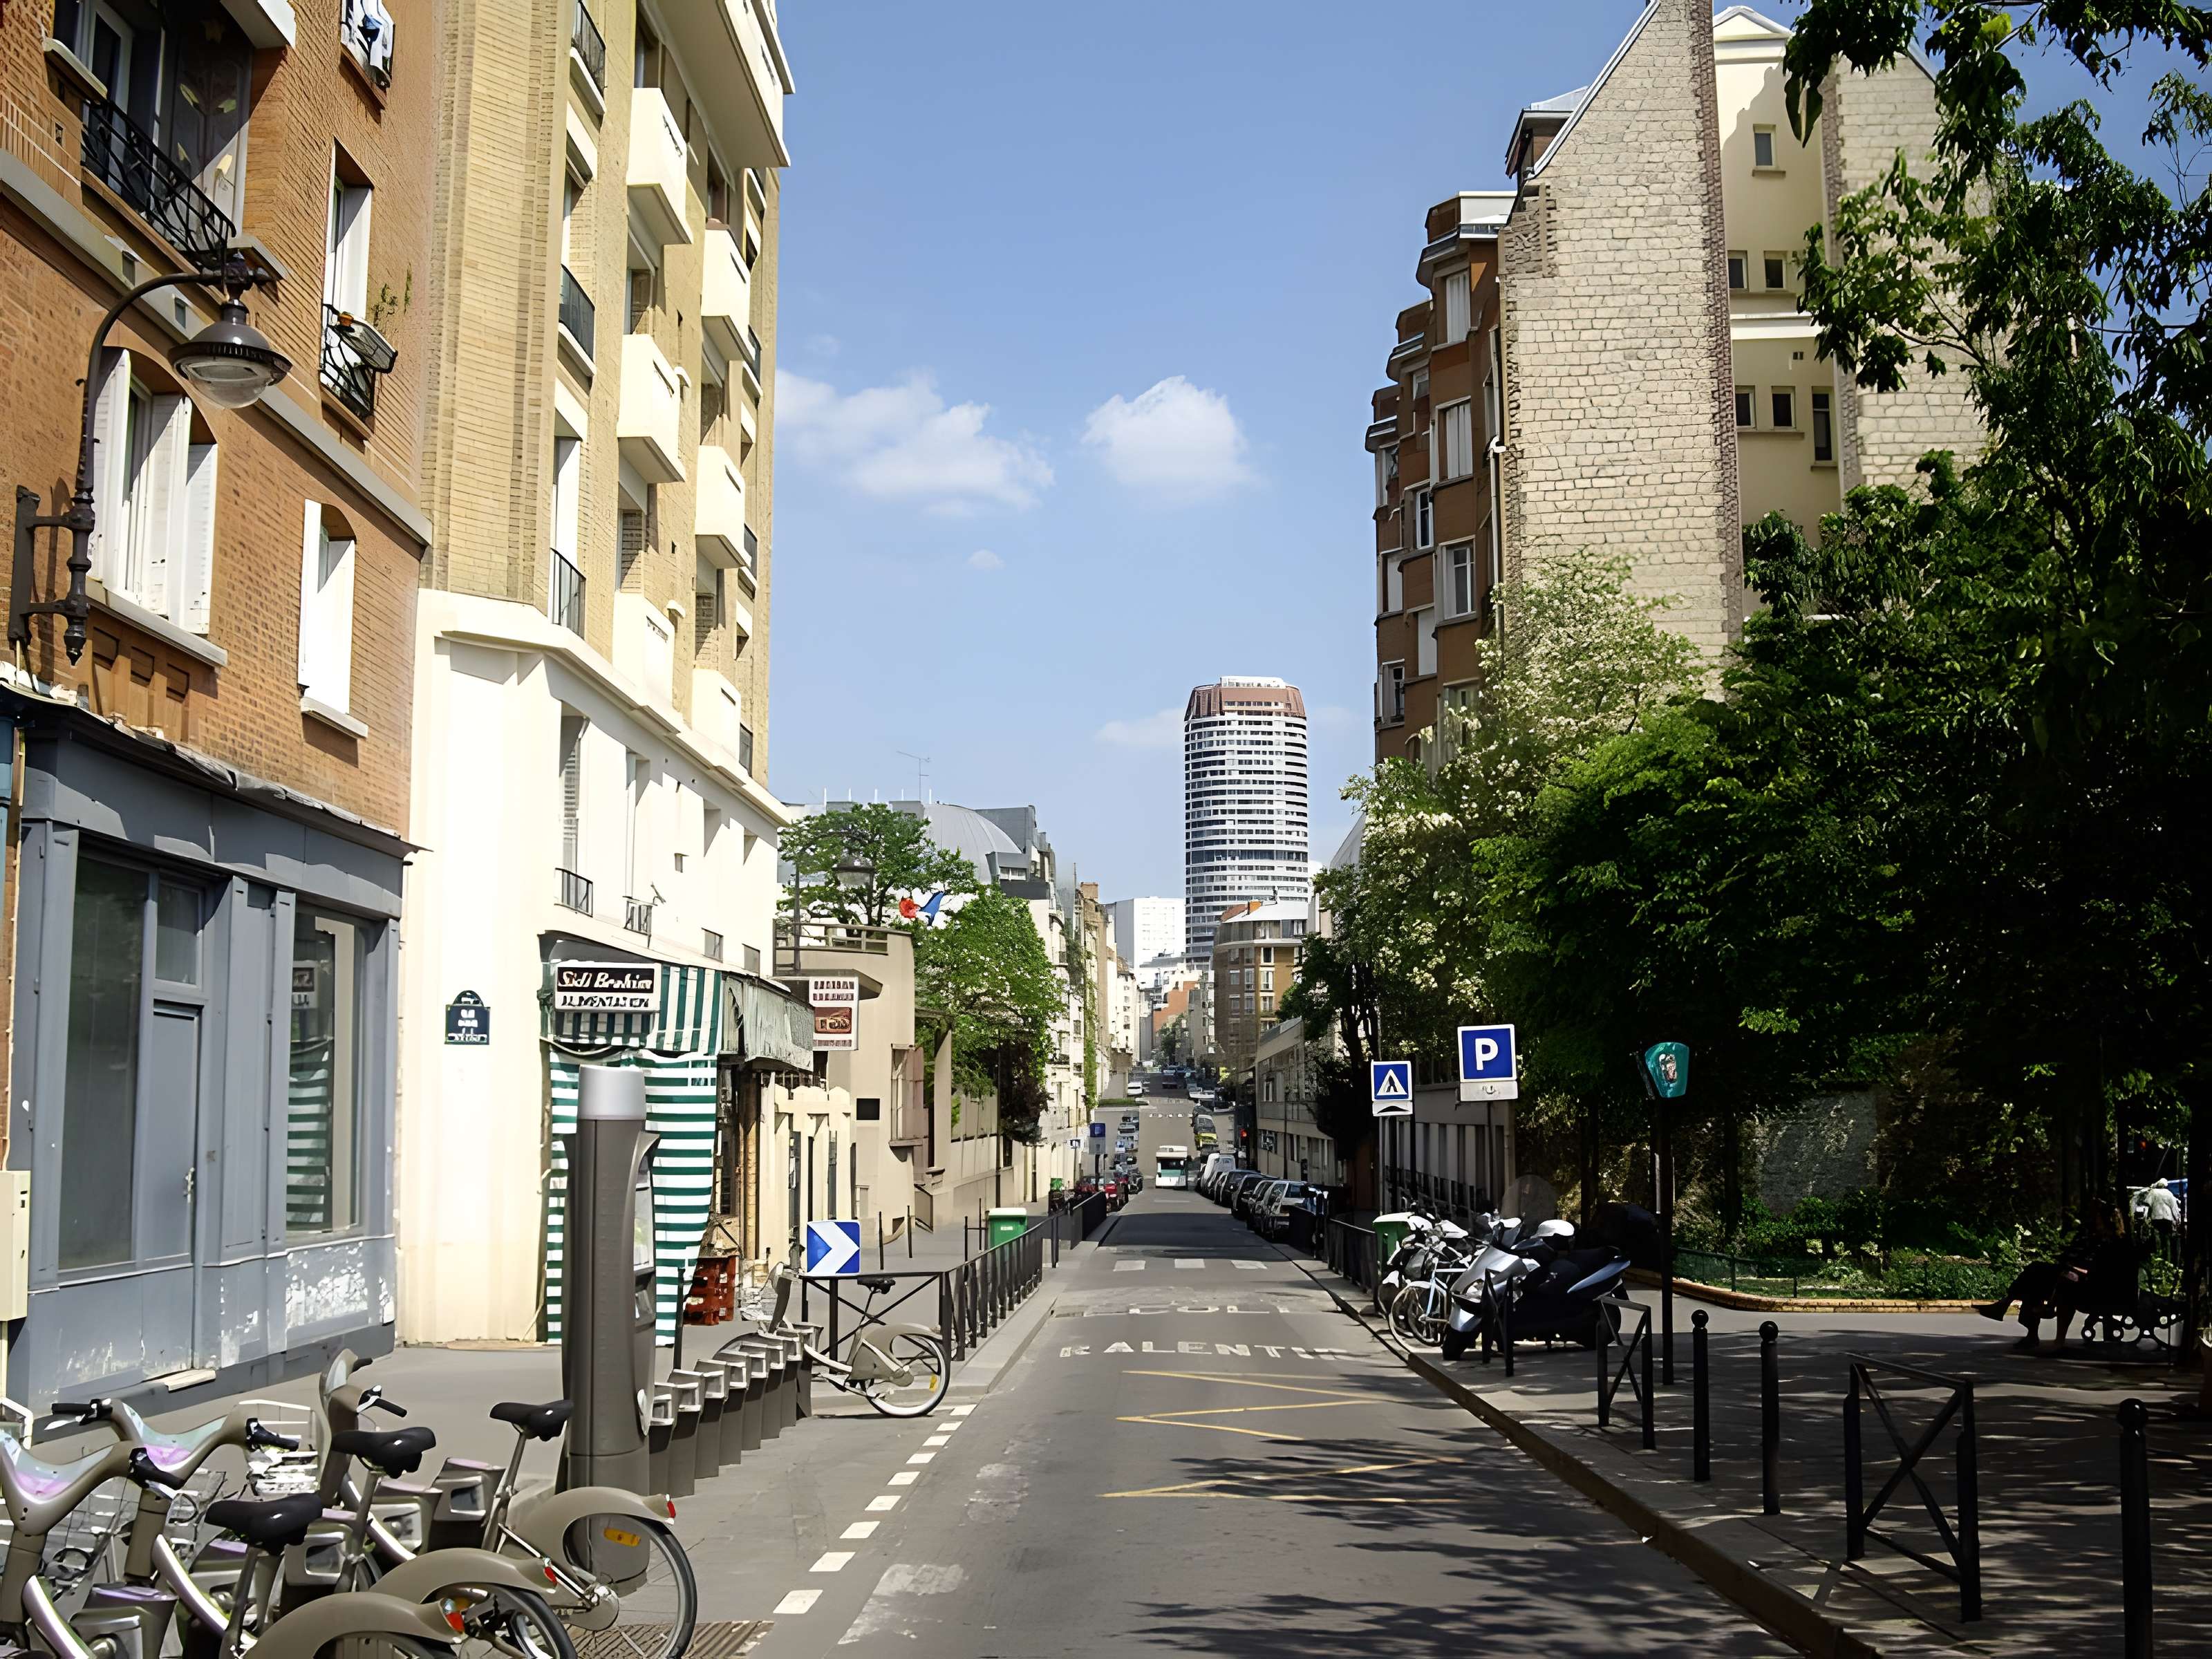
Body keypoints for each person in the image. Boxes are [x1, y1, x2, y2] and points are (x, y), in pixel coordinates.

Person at [1978, 1205, 2131, 1350]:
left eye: (2099, 1219)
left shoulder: (2113, 1243)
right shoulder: (2104, 1240)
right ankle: (2012, 1308)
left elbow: (2098, 1273)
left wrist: (2074, 1268)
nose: (2096, 1222)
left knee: (2040, 1275)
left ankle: (2010, 1307)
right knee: (2036, 1272)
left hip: (2093, 1287)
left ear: (2107, 1221)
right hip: (2088, 1282)